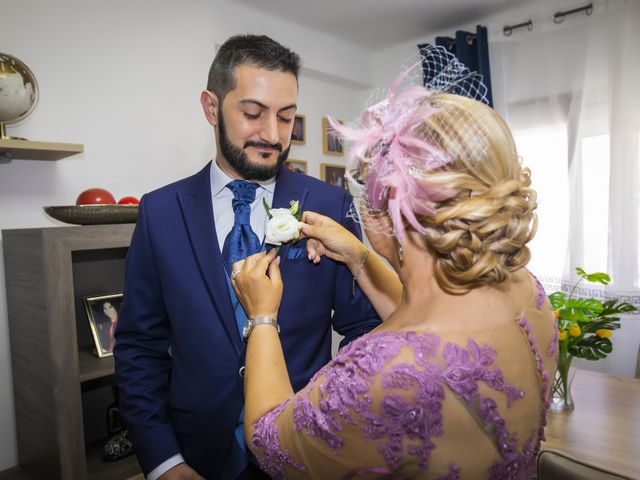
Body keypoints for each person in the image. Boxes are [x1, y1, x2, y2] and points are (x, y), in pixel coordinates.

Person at [231, 46, 557, 479]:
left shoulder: (379, 373)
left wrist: (263, 316)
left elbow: (270, 442)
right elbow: (425, 317)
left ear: (383, 216)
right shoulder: (527, 291)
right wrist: (359, 256)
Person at [113, 34, 380, 480]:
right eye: (253, 114)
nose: (273, 135)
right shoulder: (160, 212)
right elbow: (139, 346)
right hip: (197, 450)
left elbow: (365, 330)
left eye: (287, 117)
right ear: (211, 108)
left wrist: (335, 418)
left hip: (305, 450)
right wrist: (163, 462)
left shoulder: (330, 205)